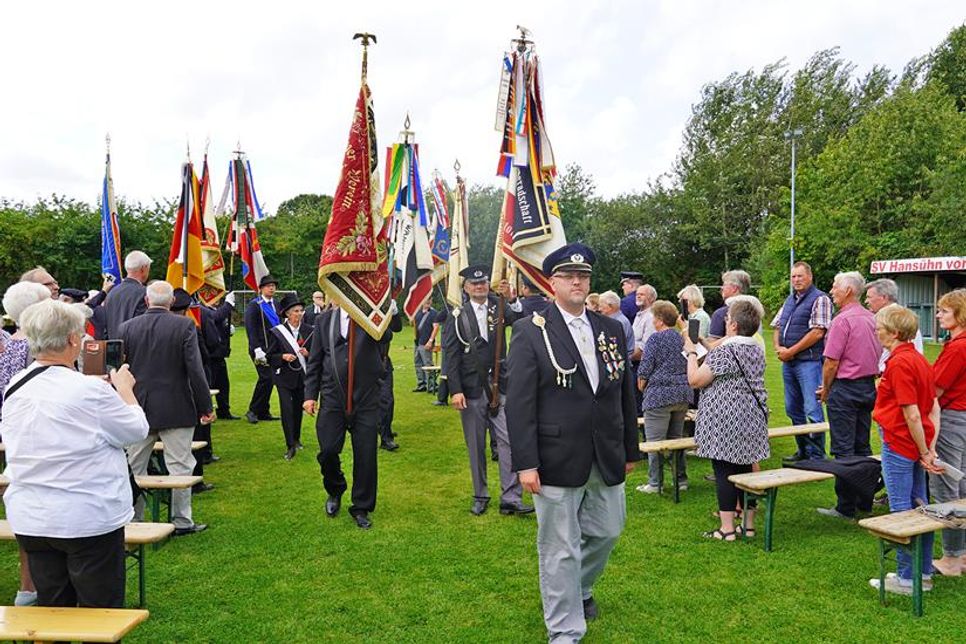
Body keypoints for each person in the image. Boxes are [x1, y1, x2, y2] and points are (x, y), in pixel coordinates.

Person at [507, 243, 640, 642]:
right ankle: (565, 629)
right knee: (560, 547)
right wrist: (526, 462)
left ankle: (577, 588)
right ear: (553, 283)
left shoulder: (611, 328)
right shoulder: (531, 331)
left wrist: (630, 448)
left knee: (608, 531)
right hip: (555, 455)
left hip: (606, 452)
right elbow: (520, 402)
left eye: (583, 276)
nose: (577, 281)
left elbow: (623, 393)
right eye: (568, 276)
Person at [1, 299, 149, 607]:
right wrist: (124, 390)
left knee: (54, 605)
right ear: (72, 340)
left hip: (32, 515)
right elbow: (135, 430)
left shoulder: (17, 385)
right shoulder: (89, 390)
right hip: (86, 515)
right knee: (100, 609)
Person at [120, 281, 213, 536]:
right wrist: (205, 405)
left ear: (147, 301)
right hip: (177, 406)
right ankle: (182, 520)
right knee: (180, 465)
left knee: (134, 466)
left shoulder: (127, 328)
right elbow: (195, 369)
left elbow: (119, 370)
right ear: (172, 302)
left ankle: (133, 518)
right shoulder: (184, 326)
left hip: (138, 407)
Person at [302, 305, 402, 530]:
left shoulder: (371, 316)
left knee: (366, 454)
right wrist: (310, 395)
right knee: (327, 450)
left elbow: (390, 331)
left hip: (366, 397)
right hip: (332, 396)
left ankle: (361, 506)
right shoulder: (324, 320)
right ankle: (335, 489)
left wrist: (390, 312)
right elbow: (315, 360)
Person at [442, 265, 528, 516]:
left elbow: (520, 321)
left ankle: (510, 497)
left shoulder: (499, 306)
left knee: (508, 441)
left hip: (500, 385)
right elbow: (451, 355)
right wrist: (454, 390)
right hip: (470, 390)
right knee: (476, 445)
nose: (479, 287)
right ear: (466, 288)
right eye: (474, 284)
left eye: (483, 283)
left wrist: (511, 298)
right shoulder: (457, 315)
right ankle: (480, 494)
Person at [869, 304, 942, 594]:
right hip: (914, 440)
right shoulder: (919, 359)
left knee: (902, 510)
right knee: (921, 505)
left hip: (900, 441)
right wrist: (928, 447)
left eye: (880, 328)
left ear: (895, 332)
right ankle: (922, 573)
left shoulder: (899, 363)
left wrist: (925, 451)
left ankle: (906, 578)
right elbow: (932, 407)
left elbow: (912, 413)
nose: (876, 332)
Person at [684, 299, 769, 541]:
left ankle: (727, 529)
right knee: (746, 470)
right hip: (752, 417)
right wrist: (702, 342)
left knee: (724, 471)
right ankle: (748, 526)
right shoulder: (755, 348)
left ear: (732, 324)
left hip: (725, 420)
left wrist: (691, 351)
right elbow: (723, 359)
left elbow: (696, 380)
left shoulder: (726, 351)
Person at [0, 281, 50, 607]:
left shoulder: (6, 344)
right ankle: (34, 586)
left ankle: (28, 586)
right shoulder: (34, 349)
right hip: (35, 435)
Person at [816, 272, 881, 520]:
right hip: (867, 387)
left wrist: (826, 389)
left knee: (843, 449)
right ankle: (865, 500)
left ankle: (845, 506)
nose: (831, 291)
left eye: (835, 287)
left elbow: (831, 362)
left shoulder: (842, 321)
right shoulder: (872, 318)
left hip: (845, 387)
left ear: (849, 291)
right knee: (862, 445)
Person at [771, 261, 831, 462]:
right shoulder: (790, 300)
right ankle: (803, 450)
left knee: (812, 409)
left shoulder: (820, 299)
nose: (796, 280)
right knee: (792, 408)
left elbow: (818, 332)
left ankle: (817, 455)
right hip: (789, 363)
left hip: (809, 362)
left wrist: (791, 351)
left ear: (810, 277)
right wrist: (779, 348)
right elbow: (777, 325)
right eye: (793, 276)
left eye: (800, 276)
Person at [636, 300, 692, 494]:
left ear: (659, 320)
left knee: (655, 442)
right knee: (677, 440)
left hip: (659, 395)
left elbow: (645, 368)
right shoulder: (681, 338)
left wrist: (642, 384)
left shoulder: (655, 339)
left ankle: (655, 483)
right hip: (682, 393)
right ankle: (681, 479)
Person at [930, 289, 966, 576]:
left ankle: (952, 558)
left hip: (952, 419)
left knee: (946, 488)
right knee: (963, 486)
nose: (939, 314)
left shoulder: (957, 347)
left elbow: (936, 389)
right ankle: (962, 554)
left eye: (944, 310)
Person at [266, 293, 313, 461]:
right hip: (284, 377)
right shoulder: (277, 332)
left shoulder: (309, 330)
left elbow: (317, 354)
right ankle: (289, 445)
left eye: (301, 311)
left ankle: (297, 438)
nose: (299, 314)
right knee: (286, 409)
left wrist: (308, 353)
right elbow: (269, 356)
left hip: (301, 376)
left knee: (298, 410)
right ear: (287, 313)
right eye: (295, 311)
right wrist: (283, 357)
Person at [865, 278, 924, 371]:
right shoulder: (895, 316)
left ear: (884, 298)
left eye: (869, 297)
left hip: (896, 371)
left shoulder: (899, 319)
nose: (866, 301)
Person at [245, 275, 281, 424]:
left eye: (273, 285)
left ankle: (263, 411)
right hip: (259, 348)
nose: (271, 288)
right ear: (261, 289)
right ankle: (253, 410)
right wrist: (256, 349)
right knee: (266, 378)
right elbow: (251, 328)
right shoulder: (255, 305)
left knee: (270, 379)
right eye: (268, 286)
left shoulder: (276, 304)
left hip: (273, 348)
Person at [202, 291, 236, 422]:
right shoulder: (203, 309)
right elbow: (215, 317)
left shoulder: (215, 310)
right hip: (209, 354)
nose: (217, 300)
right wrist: (228, 304)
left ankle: (224, 410)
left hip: (219, 353)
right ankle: (207, 410)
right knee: (209, 384)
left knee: (223, 384)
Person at [102, 251, 152, 339]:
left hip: (113, 348)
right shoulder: (145, 293)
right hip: (134, 349)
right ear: (143, 269)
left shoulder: (111, 293)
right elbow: (143, 326)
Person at [706, 269, 751, 341]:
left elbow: (712, 345)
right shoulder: (754, 311)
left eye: (724, 284)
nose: (722, 288)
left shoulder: (721, 314)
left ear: (734, 288)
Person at [598, 291, 634, 360]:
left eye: (601, 306)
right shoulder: (614, 321)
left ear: (610, 306)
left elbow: (616, 347)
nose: (599, 309)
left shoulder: (619, 322)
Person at [412, 300, 437, 393]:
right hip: (418, 342)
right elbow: (415, 325)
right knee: (417, 363)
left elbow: (436, 327)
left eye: (430, 299)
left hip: (426, 342)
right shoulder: (418, 312)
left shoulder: (433, 313)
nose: (428, 301)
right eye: (426, 299)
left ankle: (431, 385)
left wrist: (430, 341)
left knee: (428, 364)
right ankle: (421, 384)